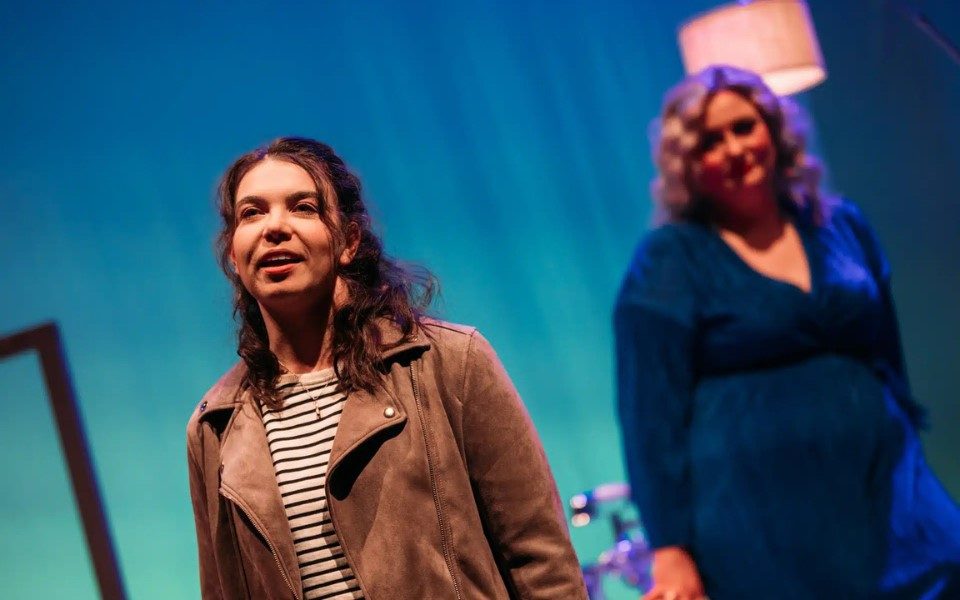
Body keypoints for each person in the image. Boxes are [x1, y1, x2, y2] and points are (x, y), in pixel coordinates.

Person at [187, 137, 587, 600]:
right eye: (251, 213)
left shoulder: (450, 364)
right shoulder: (214, 426)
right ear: (234, 257)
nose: (274, 227)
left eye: (303, 207)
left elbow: (541, 560)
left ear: (349, 242)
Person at [615, 65, 960, 600]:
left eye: (743, 127)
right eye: (710, 141)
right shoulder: (668, 261)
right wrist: (671, 550)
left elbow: (887, 355)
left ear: (774, 130)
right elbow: (649, 419)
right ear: (687, 164)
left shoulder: (841, 225)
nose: (734, 149)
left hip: (889, 492)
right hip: (760, 527)